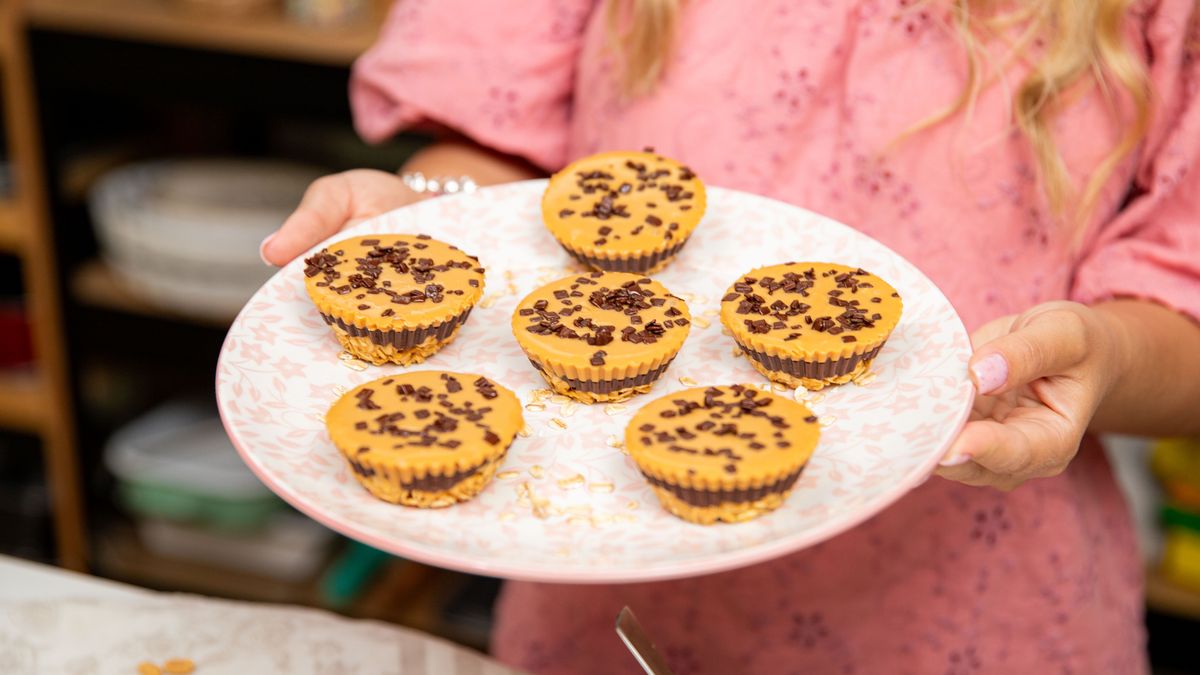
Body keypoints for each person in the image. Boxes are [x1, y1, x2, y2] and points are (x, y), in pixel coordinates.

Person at [261, 1, 1200, 672]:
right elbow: (493, 153)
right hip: (604, 581)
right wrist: (427, 215)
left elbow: (1181, 307)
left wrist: (1104, 352)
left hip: (984, 606)